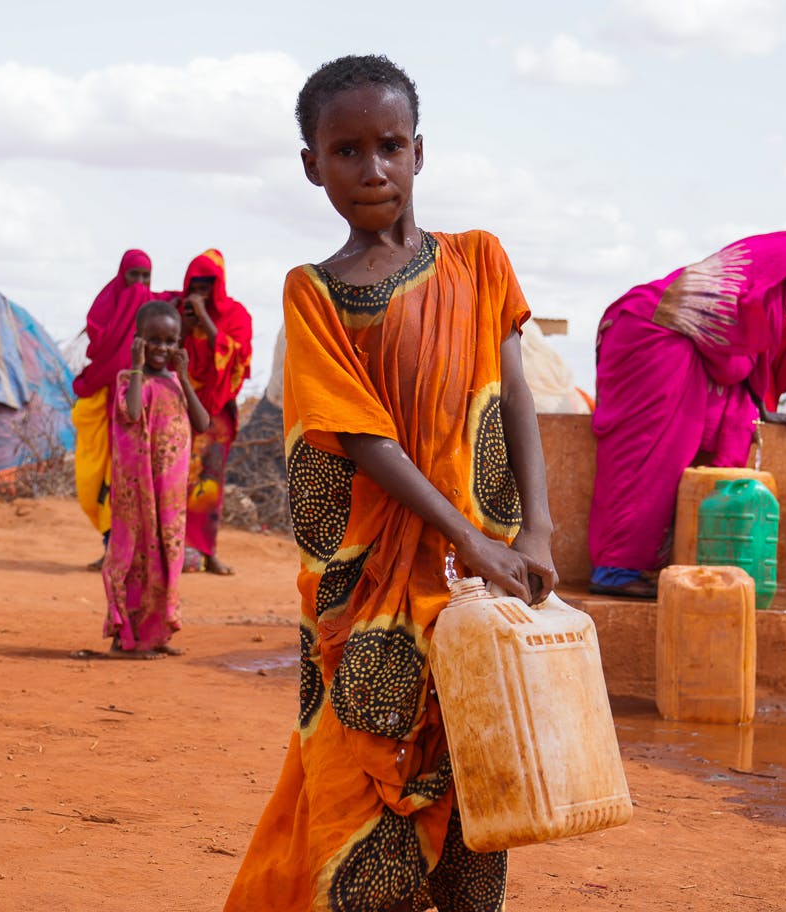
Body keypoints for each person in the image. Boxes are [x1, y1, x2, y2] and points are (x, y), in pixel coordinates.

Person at [225, 55, 555, 912]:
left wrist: (538, 531)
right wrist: (468, 538)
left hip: (479, 587)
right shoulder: (316, 294)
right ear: (311, 165)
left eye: (390, 145)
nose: (371, 169)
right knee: (354, 788)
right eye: (345, 151)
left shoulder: (480, 262)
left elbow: (513, 394)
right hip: (368, 592)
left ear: (419, 152)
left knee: (482, 785)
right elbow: (363, 436)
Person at [588, 233, 786, 599]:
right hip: (651, 341)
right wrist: (749, 399)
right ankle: (614, 570)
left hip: (638, 326)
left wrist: (760, 407)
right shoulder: (725, 299)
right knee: (647, 459)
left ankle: (622, 565)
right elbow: (729, 367)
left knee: (651, 458)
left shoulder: (732, 290)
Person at [100, 300, 210, 658]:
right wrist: (134, 368)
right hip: (139, 490)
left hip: (171, 495)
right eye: (153, 340)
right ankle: (125, 638)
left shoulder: (177, 383)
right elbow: (132, 412)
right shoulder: (130, 380)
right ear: (138, 340)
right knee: (134, 561)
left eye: (169, 340)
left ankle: (156, 634)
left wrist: (186, 378)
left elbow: (203, 422)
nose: (161, 348)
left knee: (167, 557)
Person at [71, 250, 155, 570]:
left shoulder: (156, 312)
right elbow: (95, 347)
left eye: (145, 277)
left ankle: (123, 553)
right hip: (101, 405)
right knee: (96, 481)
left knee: (126, 484)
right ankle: (111, 547)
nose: (139, 285)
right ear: (122, 275)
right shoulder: (104, 308)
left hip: (137, 413)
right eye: (133, 276)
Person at [174, 249, 253, 575]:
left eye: (209, 284)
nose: (201, 290)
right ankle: (172, 549)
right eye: (197, 283)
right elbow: (164, 353)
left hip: (216, 414)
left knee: (209, 484)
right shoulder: (176, 313)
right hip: (179, 408)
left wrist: (205, 321)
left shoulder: (236, 315)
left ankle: (207, 551)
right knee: (175, 479)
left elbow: (238, 357)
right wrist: (183, 324)